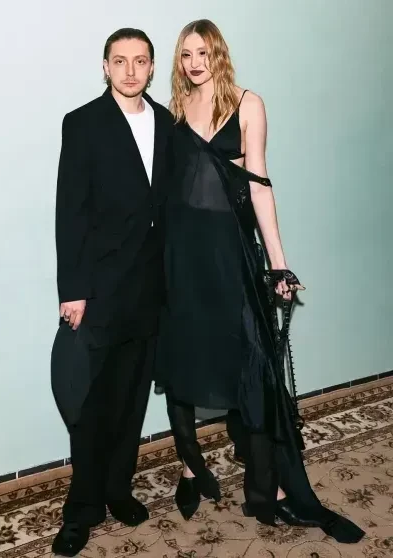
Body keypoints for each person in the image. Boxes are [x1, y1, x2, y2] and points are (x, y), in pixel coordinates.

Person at [154, 19, 365, 544]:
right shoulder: (175, 110)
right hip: (182, 257)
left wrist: (278, 264)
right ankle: (190, 467)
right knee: (184, 359)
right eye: (186, 54)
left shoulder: (248, 104)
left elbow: (260, 187)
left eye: (203, 52)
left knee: (254, 366)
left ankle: (274, 487)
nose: (194, 63)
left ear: (218, 54)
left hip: (230, 255)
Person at [51, 28, 174, 557]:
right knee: (90, 405)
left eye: (140, 61)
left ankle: (118, 490)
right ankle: (82, 509)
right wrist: (73, 290)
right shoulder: (82, 123)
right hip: (98, 292)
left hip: (149, 291)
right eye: (119, 61)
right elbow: (70, 211)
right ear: (105, 67)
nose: (130, 70)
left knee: (130, 401)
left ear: (151, 67)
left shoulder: (166, 122)